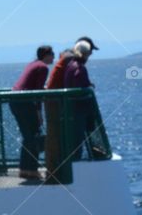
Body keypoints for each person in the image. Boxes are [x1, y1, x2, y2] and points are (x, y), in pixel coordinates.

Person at [44, 36, 98, 182]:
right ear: (85, 53)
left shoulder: (70, 62)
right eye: (90, 52)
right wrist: (87, 89)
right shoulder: (77, 67)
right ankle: (64, 174)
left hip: (60, 105)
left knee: (59, 140)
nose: (91, 55)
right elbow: (77, 86)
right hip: (65, 108)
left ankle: (56, 172)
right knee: (71, 142)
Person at [11, 45, 55, 179]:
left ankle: (24, 169)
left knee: (28, 137)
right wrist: (39, 113)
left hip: (15, 100)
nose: (53, 56)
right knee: (34, 136)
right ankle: (32, 170)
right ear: (46, 55)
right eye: (52, 53)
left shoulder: (33, 64)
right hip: (25, 103)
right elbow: (37, 93)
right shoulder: (43, 67)